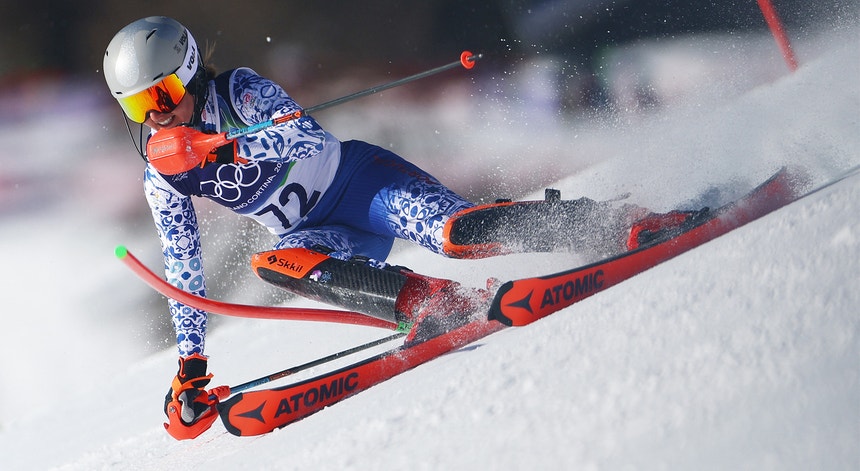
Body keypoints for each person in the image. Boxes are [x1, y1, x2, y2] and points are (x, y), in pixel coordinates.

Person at [103, 16, 697, 439]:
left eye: (163, 94)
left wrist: (223, 148)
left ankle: (619, 222)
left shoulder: (238, 91)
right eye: (137, 107)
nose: (156, 115)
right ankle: (429, 301)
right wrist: (192, 369)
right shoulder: (162, 175)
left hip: (361, 185)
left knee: (462, 235)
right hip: (317, 233)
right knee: (274, 262)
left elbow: (303, 134)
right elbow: (184, 268)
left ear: (189, 73)